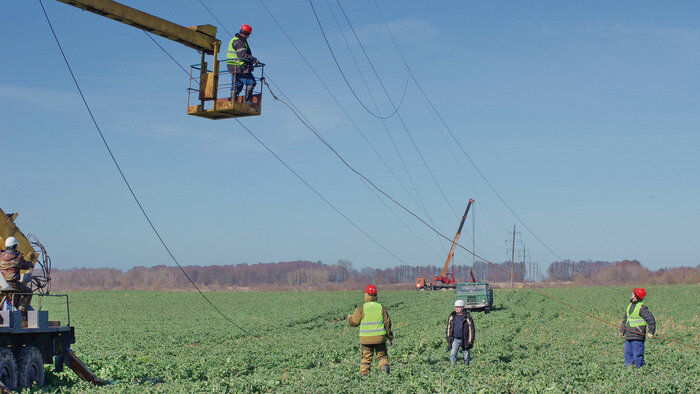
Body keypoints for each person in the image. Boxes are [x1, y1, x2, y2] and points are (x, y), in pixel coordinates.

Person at [347, 284, 394, 376]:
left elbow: (353, 322)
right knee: (382, 356)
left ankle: (364, 376)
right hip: (380, 338)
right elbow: (387, 324)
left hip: (366, 339)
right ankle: (384, 372)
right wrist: (391, 338)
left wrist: (349, 317)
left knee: (366, 358)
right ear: (375, 295)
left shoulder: (362, 308)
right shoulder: (381, 308)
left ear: (366, 295)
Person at [619, 287, 656, 368]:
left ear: (636, 296)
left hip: (637, 336)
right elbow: (625, 320)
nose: (631, 294)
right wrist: (622, 331)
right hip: (628, 336)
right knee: (628, 355)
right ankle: (629, 371)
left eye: (633, 293)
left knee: (637, 356)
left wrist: (651, 332)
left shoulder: (641, 308)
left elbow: (651, 320)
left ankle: (641, 371)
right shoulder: (629, 306)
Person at [0, 237, 34, 311]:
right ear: (15, 246)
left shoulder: (1, 256)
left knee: (16, 294)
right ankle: (21, 312)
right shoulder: (17, 257)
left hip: (1, 284)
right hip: (12, 283)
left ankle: (12, 310)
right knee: (28, 293)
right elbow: (25, 266)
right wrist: (31, 264)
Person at [226, 24, 258, 104]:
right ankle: (247, 101)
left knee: (237, 84)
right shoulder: (239, 42)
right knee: (251, 82)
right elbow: (242, 55)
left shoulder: (235, 39)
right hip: (239, 67)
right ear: (247, 34)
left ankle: (233, 100)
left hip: (233, 67)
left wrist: (250, 65)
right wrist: (253, 59)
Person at [446, 299, 475, 365]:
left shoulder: (467, 317)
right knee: (452, 355)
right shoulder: (452, 316)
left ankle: (466, 368)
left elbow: (471, 330)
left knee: (466, 357)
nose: (456, 308)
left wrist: (470, 341)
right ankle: (454, 370)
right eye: (455, 307)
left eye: (458, 307)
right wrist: (448, 338)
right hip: (455, 339)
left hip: (465, 339)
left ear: (462, 308)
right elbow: (448, 327)